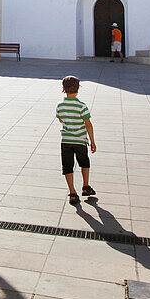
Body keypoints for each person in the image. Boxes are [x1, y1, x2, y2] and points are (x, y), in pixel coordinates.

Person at [56, 75, 96, 206]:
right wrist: (92, 141)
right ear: (78, 88)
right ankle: (85, 186)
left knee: (67, 166)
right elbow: (88, 124)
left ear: (63, 89)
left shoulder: (60, 106)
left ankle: (72, 192)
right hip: (80, 141)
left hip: (66, 141)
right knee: (84, 162)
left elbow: (61, 119)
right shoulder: (82, 106)